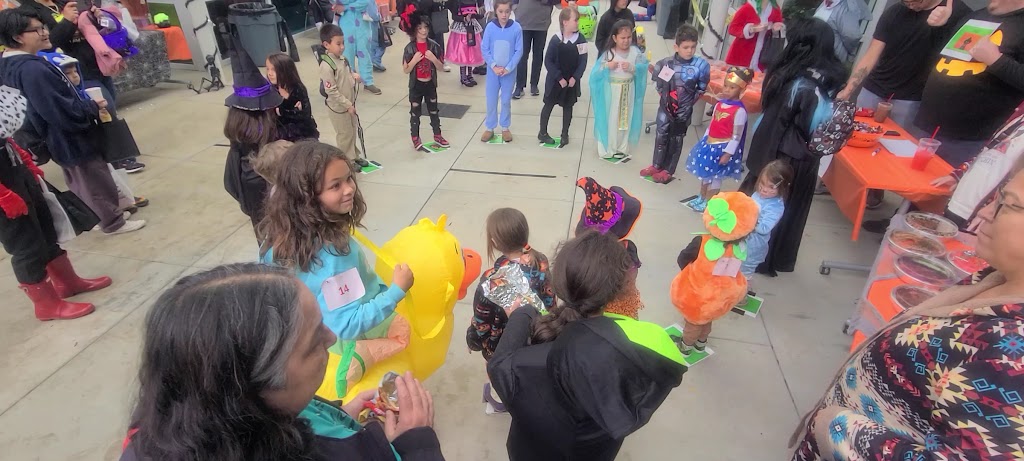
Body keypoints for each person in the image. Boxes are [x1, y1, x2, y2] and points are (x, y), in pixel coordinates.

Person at [791, 168, 1024, 461]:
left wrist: (838, 427)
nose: (987, 212)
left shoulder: (1013, 359)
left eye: (1009, 204)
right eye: (996, 196)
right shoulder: (996, 277)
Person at [119, 263, 444, 461]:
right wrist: (417, 444)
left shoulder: (184, 419)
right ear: (254, 386)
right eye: (313, 340)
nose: (331, 339)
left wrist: (336, 414)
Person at [488, 230, 686, 461]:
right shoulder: (647, 344)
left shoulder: (526, 365)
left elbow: (498, 366)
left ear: (558, 283)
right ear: (618, 290)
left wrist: (523, 313)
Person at [259, 141, 415, 398]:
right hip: (342, 342)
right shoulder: (335, 256)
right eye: (335, 186)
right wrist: (397, 290)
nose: (349, 189)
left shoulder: (278, 236)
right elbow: (348, 324)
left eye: (348, 179)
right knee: (404, 336)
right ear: (308, 198)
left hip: (305, 332)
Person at [0, 11, 145, 235]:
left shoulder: (11, 64)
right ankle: (112, 222)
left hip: (53, 138)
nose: (45, 32)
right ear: (18, 37)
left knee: (81, 179)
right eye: (37, 29)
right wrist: (92, 107)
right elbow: (60, 111)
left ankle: (102, 215)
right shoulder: (32, 69)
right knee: (93, 178)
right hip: (69, 137)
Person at [738, 18, 846, 276]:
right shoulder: (813, 84)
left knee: (759, 206)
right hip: (794, 158)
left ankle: (753, 258)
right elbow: (812, 126)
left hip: (772, 151)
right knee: (780, 211)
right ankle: (768, 260)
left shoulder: (785, 74)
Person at [0, 72, 109, 321]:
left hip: (12, 164)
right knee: (25, 243)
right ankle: (46, 305)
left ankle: (68, 283)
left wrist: (24, 162)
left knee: (45, 226)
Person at [19, 0, 146, 174]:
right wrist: (66, 21)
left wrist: (96, 16)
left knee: (109, 109)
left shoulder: (64, 2)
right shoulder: (28, 12)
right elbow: (47, 45)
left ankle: (112, 155)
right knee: (105, 107)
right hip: (74, 73)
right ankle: (120, 158)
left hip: (97, 64)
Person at [913, 0, 1024, 166]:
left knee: (945, 191)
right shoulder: (975, 15)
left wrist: (996, 60)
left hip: (970, 139)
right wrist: (940, 28)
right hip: (928, 125)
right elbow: (946, 60)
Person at [467, 207, 553, 414]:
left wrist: (474, 340)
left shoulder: (491, 280)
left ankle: (499, 401)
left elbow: (482, 320)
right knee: (525, 369)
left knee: (500, 372)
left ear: (495, 242)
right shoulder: (540, 260)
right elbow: (549, 297)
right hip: (534, 334)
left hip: (501, 343)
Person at [835, 0, 971, 128]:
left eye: (916, 1)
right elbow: (871, 54)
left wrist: (943, 26)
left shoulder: (959, 13)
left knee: (893, 144)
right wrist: (848, 90)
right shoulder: (895, 11)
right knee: (853, 132)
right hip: (874, 88)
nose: (911, 6)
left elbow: (959, 59)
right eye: (906, 2)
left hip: (911, 98)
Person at [671, 192, 759, 353]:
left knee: (693, 323)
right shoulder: (740, 246)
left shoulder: (701, 242)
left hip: (698, 294)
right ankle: (701, 344)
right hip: (721, 295)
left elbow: (683, 259)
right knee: (707, 319)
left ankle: (685, 346)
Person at [933, 100, 1024, 230]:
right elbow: (990, 150)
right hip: (961, 201)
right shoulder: (1020, 114)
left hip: (988, 216)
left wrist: (997, 207)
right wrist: (961, 173)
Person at [223, 36, 282, 233]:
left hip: (248, 189)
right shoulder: (262, 134)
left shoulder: (237, 130)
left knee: (263, 233)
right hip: (263, 188)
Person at [643, 24, 710, 184]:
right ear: (676, 46)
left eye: (693, 47)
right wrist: (667, 100)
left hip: (683, 112)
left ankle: (668, 169)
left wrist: (686, 105)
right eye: (685, 47)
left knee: (676, 140)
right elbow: (658, 84)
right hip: (665, 108)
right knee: (661, 135)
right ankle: (657, 164)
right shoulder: (665, 64)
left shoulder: (701, 66)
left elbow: (701, 88)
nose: (689, 50)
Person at [573, 176, 644, 320]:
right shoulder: (626, 255)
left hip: (592, 312)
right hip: (618, 310)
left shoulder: (581, 255)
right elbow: (630, 281)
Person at [682, 66, 750, 211]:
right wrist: (704, 140)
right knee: (705, 174)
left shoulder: (739, 111)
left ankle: (710, 201)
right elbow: (712, 124)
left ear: (741, 90)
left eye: (732, 87)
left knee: (716, 177)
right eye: (725, 85)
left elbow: (737, 136)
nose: (726, 89)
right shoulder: (719, 104)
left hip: (722, 148)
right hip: (710, 144)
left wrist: (728, 153)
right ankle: (701, 196)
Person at [590, 19, 648, 160]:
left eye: (628, 38)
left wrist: (633, 68)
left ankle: (622, 147)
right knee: (611, 118)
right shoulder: (609, 54)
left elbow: (644, 68)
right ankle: (608, 148)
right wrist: (607, 67)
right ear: (615, 38)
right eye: (622, 38)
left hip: (629, 90)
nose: (626, 41)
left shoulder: (635, 52)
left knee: (626, 118)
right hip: (612, 92)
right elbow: (594, 74)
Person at [401, 8, 449, 151]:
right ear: (413, 30)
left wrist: (433, 59)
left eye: (426, 27)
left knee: (434, 110)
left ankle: (437, 134)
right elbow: (406, 70)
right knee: (415, 113)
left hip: (430, 84)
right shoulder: (409, 48)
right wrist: (414, 60)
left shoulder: (434, 46)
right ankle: (415, 137)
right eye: (420, 28)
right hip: (416, 86)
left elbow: (440, 68)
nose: (423, 31)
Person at [538, 7, 587, 149]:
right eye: (575, 20)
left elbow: (583, 61)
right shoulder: (556, 40)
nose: (578, 22)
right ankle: (542, 132)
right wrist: (559, 77)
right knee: (548, 105)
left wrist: (575, 77)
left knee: (568, 107)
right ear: (565, 22)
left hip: (571, 82)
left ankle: (564, 134)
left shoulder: (580, 39)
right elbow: (548, 61)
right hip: (555, 81)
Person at [742, 160, 791, 292]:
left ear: (783, 187)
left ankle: (742, 296)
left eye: (771, 187)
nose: (764, 189)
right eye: (762, 183)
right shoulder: (758, 194)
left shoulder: (775, 207)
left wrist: (747, 220)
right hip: (742, 240)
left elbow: (764, 228)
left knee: (745, 273)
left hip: (753, 247)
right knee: (735, 268)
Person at [319, 24, 364, 160]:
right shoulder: (327, 66)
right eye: (338, 44)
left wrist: (354, 77)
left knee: (351, 131)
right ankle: (347, 160)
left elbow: (346, 77)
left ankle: (354, 155)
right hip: (339, 107)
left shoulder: (343, 60)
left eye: (343, 43)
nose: (342, 47)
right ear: (326, 44)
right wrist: (347, 105)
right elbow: (331, 90)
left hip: (349, 103)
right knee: (344, 134)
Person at [480, 0, 522, 143]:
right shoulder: (490, 27)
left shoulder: (516, 28)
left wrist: (508, 68)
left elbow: (519, 51)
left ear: (511, 11)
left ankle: (505, 127)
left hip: (508, 73)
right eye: (501, 12)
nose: (504, 15)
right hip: (493, 72)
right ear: (495, 11)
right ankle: (490, 127)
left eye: (507, 11)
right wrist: (493, 65)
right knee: (491, 100)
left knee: (505, 100)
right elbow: (484, 48)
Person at [266, 52, 320, 142]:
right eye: (268, 69)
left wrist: (281, 111)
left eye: (274, 70)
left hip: (300, 133)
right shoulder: (270, 90)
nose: (269, 73)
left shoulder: (298, 88)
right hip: (278, 134)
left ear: (285, 71)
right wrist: (292, 111)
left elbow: (305, 114)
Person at [334, 0, 383, 95]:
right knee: (346, 54)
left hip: (362, 24)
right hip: (346, 23)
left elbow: (365, 2)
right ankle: (349, 80)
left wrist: (346, 6)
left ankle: (368, 82)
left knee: (365, 54)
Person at [725, 0, 783, 72]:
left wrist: (776, 28)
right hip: (741, 55)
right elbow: (732, 28)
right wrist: (751, 29)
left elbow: (778, 26)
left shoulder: (775, 9)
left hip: (762, 57)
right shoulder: (747, 8)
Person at [510, 0, 552, 99]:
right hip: (523, 20)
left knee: (538, 55)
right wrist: (515, 7)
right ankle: (519, 86)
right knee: (522, 56)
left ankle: (534, 84)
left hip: (542, 22)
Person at [446, 0, 484, 86]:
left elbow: (477, 14)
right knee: (463, 52)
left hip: (472, 27)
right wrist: (464, 18)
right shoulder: (457, 2)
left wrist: (480, 15)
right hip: (461, 30)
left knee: (472, 52)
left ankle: (469, 75)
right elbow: (454, 16)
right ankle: (463, 76)